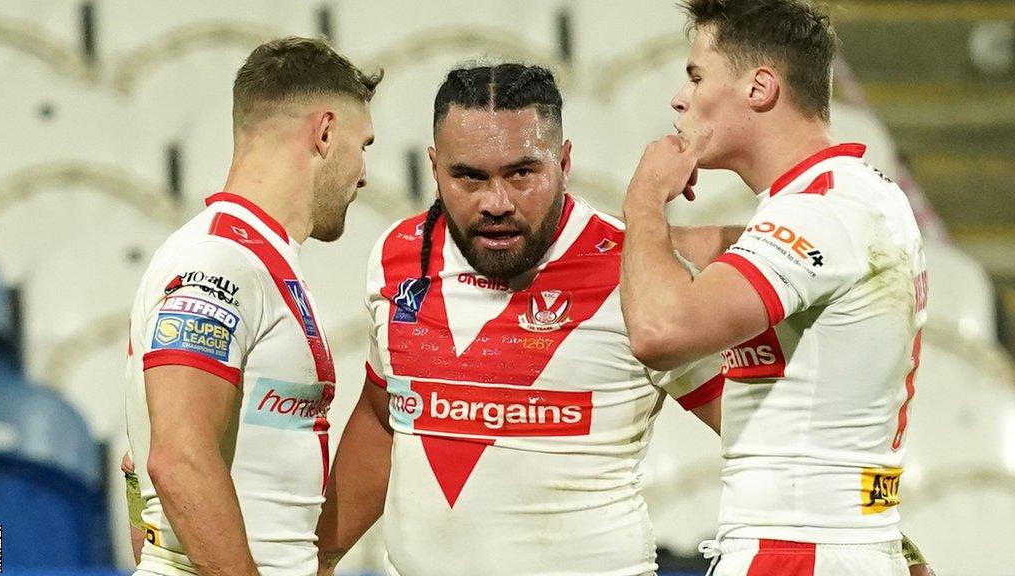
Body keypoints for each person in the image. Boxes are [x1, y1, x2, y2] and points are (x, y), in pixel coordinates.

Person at [317, 63, 734, 576]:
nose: (496, 203)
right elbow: (386, 417)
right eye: (468, 176)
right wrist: (323, 557)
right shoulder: (398, 254)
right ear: (434, 168)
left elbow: (753, 434)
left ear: (564, 161)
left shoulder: (635, 272)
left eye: (521, 174)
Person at [620, 1, 929, 574]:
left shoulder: (820, 214)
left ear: (759, 88)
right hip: (847, 542)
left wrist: (644, 200)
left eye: (696, 76)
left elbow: (660, 331)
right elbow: (714, 252)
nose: (679, 99)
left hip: (794, 554)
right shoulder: (856, 198)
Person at [124, 37, 379, 576]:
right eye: (365, 146)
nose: (364, 174)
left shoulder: (251, 259)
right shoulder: (219, 263)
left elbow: (137, 465)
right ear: (326, 133)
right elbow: (176, 460)